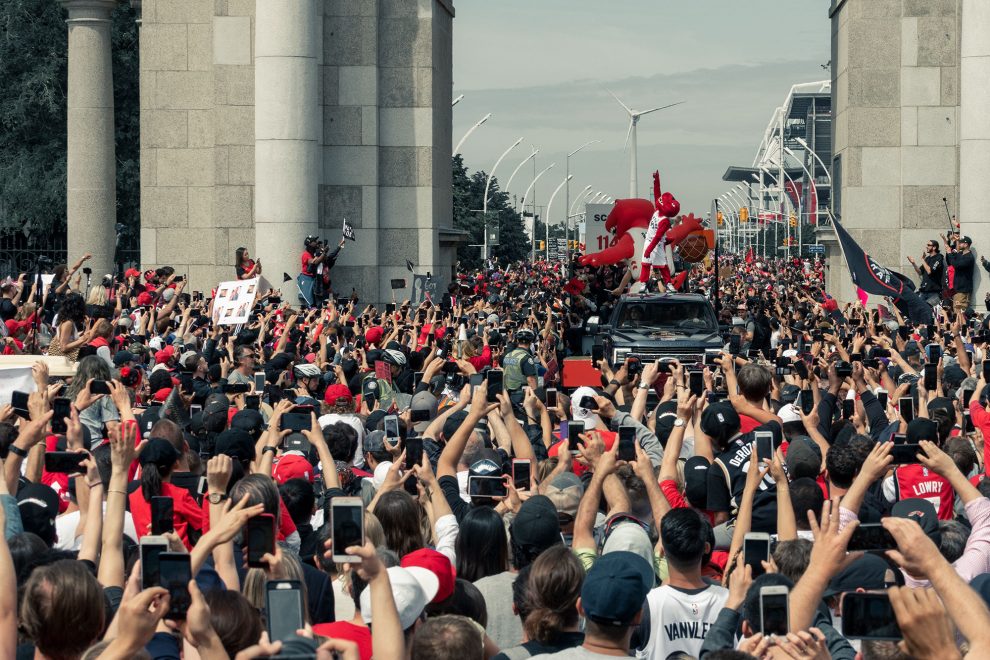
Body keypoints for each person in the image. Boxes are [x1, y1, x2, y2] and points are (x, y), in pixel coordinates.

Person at [909, 238, 946, 307]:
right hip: (924, 291)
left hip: (934, 292)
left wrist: (922, 260)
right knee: (920, 309)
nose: (927, 247)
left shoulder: (939, 257)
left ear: (934, 247)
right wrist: (913, 263)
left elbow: (929, 271)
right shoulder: (927, 259)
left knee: (931, 312)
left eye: (929, 245)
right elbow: (920, 272)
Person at [946, 235, 975, 312]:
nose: (959, 244)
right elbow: (954, 257)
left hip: (963, 291)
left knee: (960, 313)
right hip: (957, 289)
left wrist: (949, 253)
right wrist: (956, 241)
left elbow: (956, 265)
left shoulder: (969, 257)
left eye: (961, 243)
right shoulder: (961, 254)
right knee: (956, 312)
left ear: (966, 245)